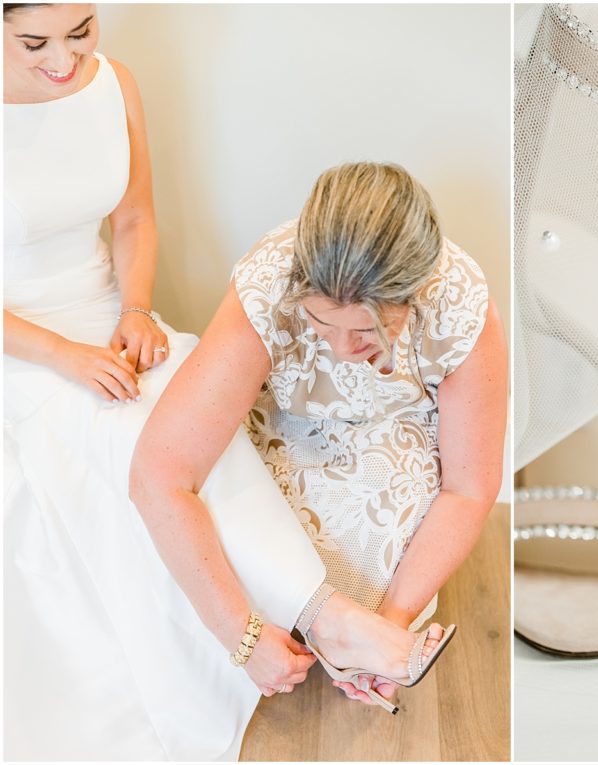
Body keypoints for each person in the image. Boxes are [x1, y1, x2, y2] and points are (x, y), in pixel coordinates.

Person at [2, 4, 485, 759]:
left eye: (81, 30)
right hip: (23, 347)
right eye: (35, 42)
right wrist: (65, 355)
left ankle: (334, 624)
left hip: (108, 318)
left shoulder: (114, 84)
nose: (64, 59)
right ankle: (328, 620)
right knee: (134, 440)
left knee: (202, 425)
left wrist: (134, 309)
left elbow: (133, 220)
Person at [132, 160, 508, 706]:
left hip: (395, 430)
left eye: (365, 333)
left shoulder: (459, 304)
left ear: (415, 296)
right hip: (285, 424)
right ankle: (332, 622)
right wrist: (241, 637)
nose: (338, 349)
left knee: (373, 576)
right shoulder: (269, 283)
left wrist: (391, 621)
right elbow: (159, 471)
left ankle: (354, 630)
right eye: (320, 323)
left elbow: (469, 490)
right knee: (209, 536)